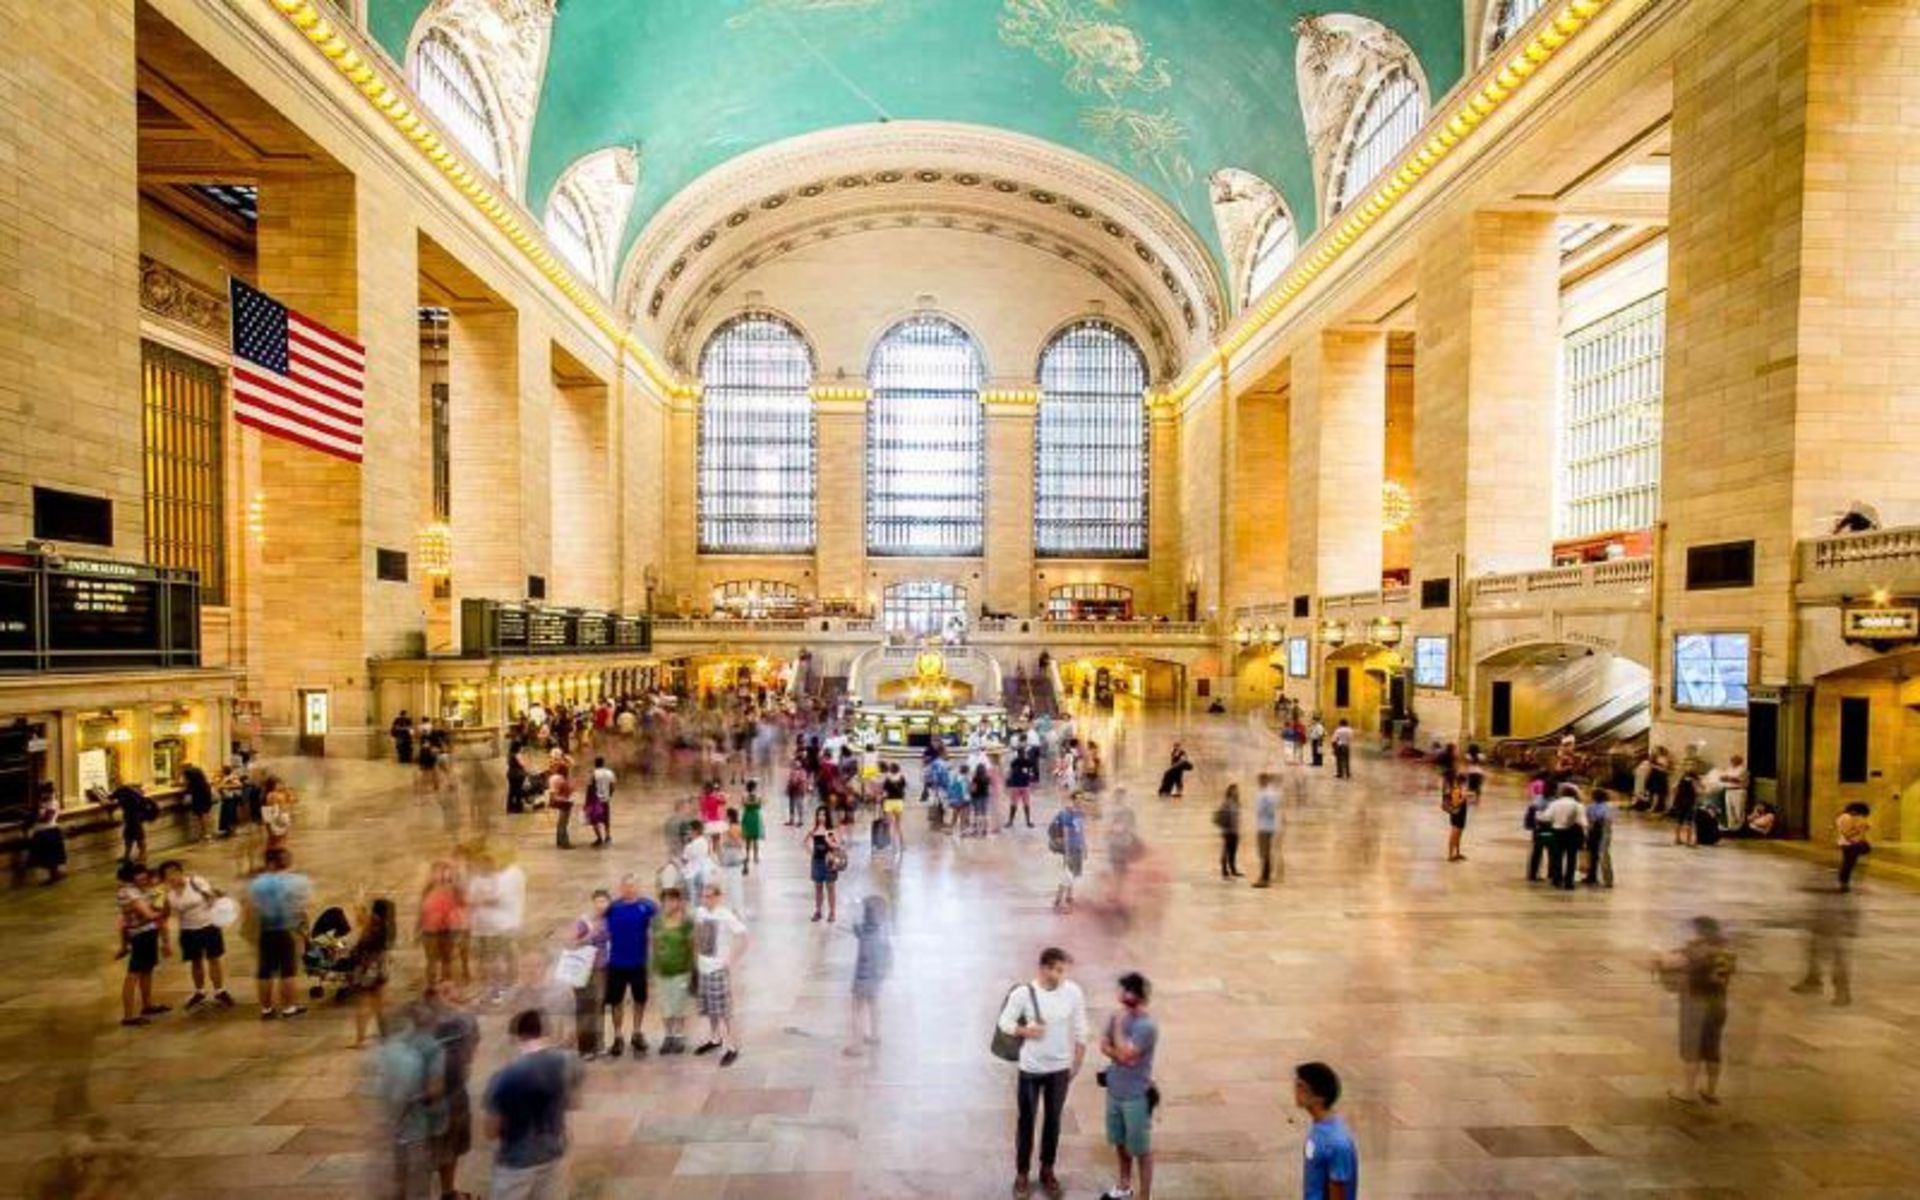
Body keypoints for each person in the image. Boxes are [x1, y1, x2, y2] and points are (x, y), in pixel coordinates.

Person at [998, 946, 1089, 1200]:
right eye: (1058, 970)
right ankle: (1022, 1174)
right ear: (1044, 968)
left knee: (1053, 1121)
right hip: (1030, 1069)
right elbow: (1004, 1023)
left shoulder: (1073, 992)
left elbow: (1082, 1028)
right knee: (1026, 1121)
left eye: (1064, 971)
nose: (1062, 976)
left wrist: (1078, 1062)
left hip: (1059, 1069)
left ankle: (1048, 1170)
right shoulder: (1023, 994)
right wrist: (1026, 1031)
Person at [482, 1009, 583, 1200]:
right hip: (553, 1154)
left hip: (515, 1163)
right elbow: (573, 1103)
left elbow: (490, 1131)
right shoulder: (568, 1062)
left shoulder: (503, 1077)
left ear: (517, 1037)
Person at [370, 1001, 445, 1200]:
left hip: (394, 1125)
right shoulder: (428, 1049)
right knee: (420, 1175)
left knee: (399, 1170)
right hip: (419, 1124)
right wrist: (414, 1099)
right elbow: (435, 1090)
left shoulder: (388, 1050)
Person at [1659, 916, 1735, 1105]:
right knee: (1712, 1048)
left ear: (1699, 932)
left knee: (1691, 1047)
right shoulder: (1726, 952)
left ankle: (1688, 1092)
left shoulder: (1697, 950)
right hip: (1718, 1004)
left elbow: (1669, 963)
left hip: (1695, 1004)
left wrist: (1662, 956)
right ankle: (1711, 1091)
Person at [1098, 972, 1158, 1200]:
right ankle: (1124, 1186)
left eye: (1125, 991)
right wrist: (1118, 1053)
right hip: (1115, 1091)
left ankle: (1145, 1196)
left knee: (1141, 1149)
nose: (1120, 995)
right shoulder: (1116, 1016)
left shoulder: (1146, 1027)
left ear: (1137, 995)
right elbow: (1104, 1046)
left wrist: (1119, 1029)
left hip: (1136, 1096)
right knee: (1120, 1143)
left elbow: (1127, 1054)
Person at [422, 985, 480, 1200]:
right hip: (433, 1098)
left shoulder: (463, 1021)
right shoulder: (427, 1026)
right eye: (443, 992)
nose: (449, 997)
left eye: (451, 990)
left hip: (452, 1096)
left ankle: (448, 1192)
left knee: (451, 1147)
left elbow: (471, 1051)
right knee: (434, 1148)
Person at [159, 860, 233, 1011]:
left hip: (208, 926)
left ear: (180, 872)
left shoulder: (195, 882)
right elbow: (163, 916)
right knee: (196, 962)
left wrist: (217, 903)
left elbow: (211, 896)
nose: (172, 877)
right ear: (164, 878)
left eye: (174, 873)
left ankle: (220, 991)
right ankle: (199, 992)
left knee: (214, 959)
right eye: (168, 875)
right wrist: (165, 942)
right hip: (188, 931)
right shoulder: (168, 894)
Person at [247, 847, 310, 1020]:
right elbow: (301, 906)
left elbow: (252, 907)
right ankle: (289, 1007)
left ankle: (266, 1009)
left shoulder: (257, 883)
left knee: (265, 971)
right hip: (284, 930)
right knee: (287, 971)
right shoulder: (294, 881)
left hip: (265, 930)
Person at [693, 881, 750, 1066]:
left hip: (718, 969)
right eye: (704, 896)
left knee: (725, 1010)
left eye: (710, 896)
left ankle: (732, 1046)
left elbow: (743, 936)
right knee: (710, 1007)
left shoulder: (725, 915)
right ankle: (715, 1038)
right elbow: (697, 934)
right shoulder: (700, 912)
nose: (706, 899)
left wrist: (731, 960)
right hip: (703, 967)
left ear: (718, 897)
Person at [603, 873, 658, 1058]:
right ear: (621, 888)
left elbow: (664, 919)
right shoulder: (612, 908)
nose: (629, 889)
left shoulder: (648, 907)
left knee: (639, 1000)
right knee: (616, 1001)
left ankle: (636, 1032)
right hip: (616, 963)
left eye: (633, 885)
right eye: (626, 886)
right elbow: (596, 920)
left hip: (638, 963)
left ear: (638, 887)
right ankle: (618, 1036)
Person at [116, 861, 169, 1027]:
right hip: (139, 936)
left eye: (143, 873)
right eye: (138, 874)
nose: (143, 876)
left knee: (147, 970)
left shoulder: (139, 890)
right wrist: (161, 911)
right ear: (130, 876)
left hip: (148, 933)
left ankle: (147, 1005)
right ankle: (129, 1016)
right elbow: (148, 913)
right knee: (133, 974)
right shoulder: (128, 893)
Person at [1295, 1061, 1358, 1200]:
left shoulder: (1337, 1142)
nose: (1296, 1090)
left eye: (1301, 1086)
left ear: (1320, 1096)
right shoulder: (1318, 1128)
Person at [649, 886, 697, 1055]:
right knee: (665, 1005)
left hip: (681, 970)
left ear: (679, 901)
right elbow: (653, 945)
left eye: (673, 899)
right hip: (662, 970)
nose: (669, 903)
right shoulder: (656, 921)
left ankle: (679, 1035)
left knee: (679, 1005)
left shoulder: (687, 921)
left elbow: (693, 947)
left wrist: (694, 970)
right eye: (666, 900)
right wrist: (651, 969)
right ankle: (668, 1036)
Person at [846, 893, 892, 1056]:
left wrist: (853, 914)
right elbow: (888, 956)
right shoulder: (882, 932)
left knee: (857, 1009)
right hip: (876, 977)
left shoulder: (866, 935)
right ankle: (875, 1035)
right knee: (874, 1004)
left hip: (863, 978)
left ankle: (856, 1046)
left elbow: (858, 931)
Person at [568, 889, 611, 1059]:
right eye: (598, 901)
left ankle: (599, 1044)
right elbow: (572, 943)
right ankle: (585, 1048)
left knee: (598, 1008)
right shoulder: (584, 921)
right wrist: (590, 935)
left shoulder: (609, 921)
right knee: (585, 1009)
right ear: (593, 902)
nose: (601, 904)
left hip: (602, 970)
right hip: (584, 970)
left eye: (604, 901)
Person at [349, 897, 396, 1047]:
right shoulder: (389, 925)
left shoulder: (372, 922)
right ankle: (386, 1037)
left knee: (362, 1004)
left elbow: (359, 916)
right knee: (380, 1005)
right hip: (381, 966)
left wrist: (359, 901)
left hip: (367, 967)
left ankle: (360, 1039)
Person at [1542, 784, 1588, 890]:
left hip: (1557, 832)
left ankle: (1557, 880)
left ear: (1562, 793)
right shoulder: (1578, 805)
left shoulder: (1554, 803)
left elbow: (1546, 817)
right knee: (1572, 858)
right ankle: (1569, 882)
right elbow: (1583, 822)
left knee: (1557, 856)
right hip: (1572, 833)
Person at [1048, 793, 1087, 913]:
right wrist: (1067, 851)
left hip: (1078, 847)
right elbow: (1065, 833)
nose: (1080, 802)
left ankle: (1069, 896)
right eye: (1078, 799)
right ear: (1073, 800)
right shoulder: (1067, 814)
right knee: (1067, 876)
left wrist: (1084, 846)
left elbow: (1081, 831)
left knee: (1073, 874)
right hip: (1070, 848)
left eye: (1082, 799)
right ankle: (1058, 901)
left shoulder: (1080, 813)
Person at [804, 806, 842, 923]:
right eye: (819, 815)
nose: (821, 817)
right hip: (817, 862)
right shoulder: (814, 830)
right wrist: (811, 852)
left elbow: (837, 845)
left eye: (824, 815)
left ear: (828, 817)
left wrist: (829, 841)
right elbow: (805, 841)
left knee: (830, 888)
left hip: (829, 862)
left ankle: (832, 912)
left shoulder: (831, 831)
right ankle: (818, 911)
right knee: (818, 888)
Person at [27, 781, 66, 884]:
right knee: (48, 858)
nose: (44, 795)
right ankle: (55, 874)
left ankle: (55, 875)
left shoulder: (53, 803)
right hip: (42, 831)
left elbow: (47, 818)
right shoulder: (41, 802)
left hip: (49, 831)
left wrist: (36, 817)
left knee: (50, 857)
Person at [111, 781, 154, 863]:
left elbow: (111, 798)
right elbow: (111, 797)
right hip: (130, 817)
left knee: (137, 836)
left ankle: (142, 854)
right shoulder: (123, 792)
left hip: (134, 817)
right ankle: (128, 856)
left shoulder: (129, 793)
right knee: (129, 836)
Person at [1583, 788, 1616, 888]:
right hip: (1601, 832)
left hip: (1598, 832)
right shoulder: (1608, 807)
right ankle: (1600, 878)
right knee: (1597, 855)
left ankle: (1596, 877)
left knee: (1598, 855)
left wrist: (1593, 821)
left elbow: (1589, 818)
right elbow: (1608, 819)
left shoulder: (1592, 807)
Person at [1253, 773, 1282, 887]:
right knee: (1263, 853)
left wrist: (1262, 811)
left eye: (1260, 780)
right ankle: (1265, 876)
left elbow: (1271, 809)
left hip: (1266, 827)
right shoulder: (1265, 793)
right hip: (1264, 825)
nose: (1259, 782)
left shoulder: (1268, 794)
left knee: (1264, 853)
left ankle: (1264, 878)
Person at [1837, 802, 1872, 892]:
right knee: (1848, 864)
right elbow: (1847, 834)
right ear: (1854, 811)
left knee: (1848, 864)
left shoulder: (1844, 817)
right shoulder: (1846, 817)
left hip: (1847, 843)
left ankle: (1844, 883)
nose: (1859, 816)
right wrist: (1859, 829)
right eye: (1860, 813)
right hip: (1850, 844)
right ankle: (1844, 883)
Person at [1214, 783, 1243, 880]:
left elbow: (1237, 817)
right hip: (1227, 831)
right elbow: (1221, 815)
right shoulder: (1226, 802)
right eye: (1234, 790)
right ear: (1229, 791)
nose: (1236, 791)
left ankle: (1233, 869)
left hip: (1235, 830)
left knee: (1233, 851)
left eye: (1236, 790)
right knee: (1226, 851)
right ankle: (1224, 870)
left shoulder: (1236, 802)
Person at [585, 756, 615, 847]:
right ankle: (608, 836)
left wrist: (588, 802)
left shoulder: (593, 774)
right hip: (606, 800)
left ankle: (599, 838)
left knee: (594, 820)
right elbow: (612, 787)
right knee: (606, 819)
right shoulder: (610, 773)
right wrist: (609, 796)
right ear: (603, 763)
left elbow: (590, 788)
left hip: (596, 800)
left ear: (595, 764)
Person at [182, 762, 215, 843]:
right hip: (205, 800)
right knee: (205, 816)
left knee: (201, 817)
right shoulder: (203, 782)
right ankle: (206, 835)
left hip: (199, 801)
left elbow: (188, 791)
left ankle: (204, 835)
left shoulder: (193, 784)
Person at [740, 779, 764, 874]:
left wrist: (750, 803)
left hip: (747, 816)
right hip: (754, 816)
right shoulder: (757, 796)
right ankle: (756, 857)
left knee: (748, 839)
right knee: (755, 838)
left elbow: (744, 804)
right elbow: (759, 805)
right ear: (754, 787)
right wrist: (755, 802)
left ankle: (747, 856)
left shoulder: (744, 796)